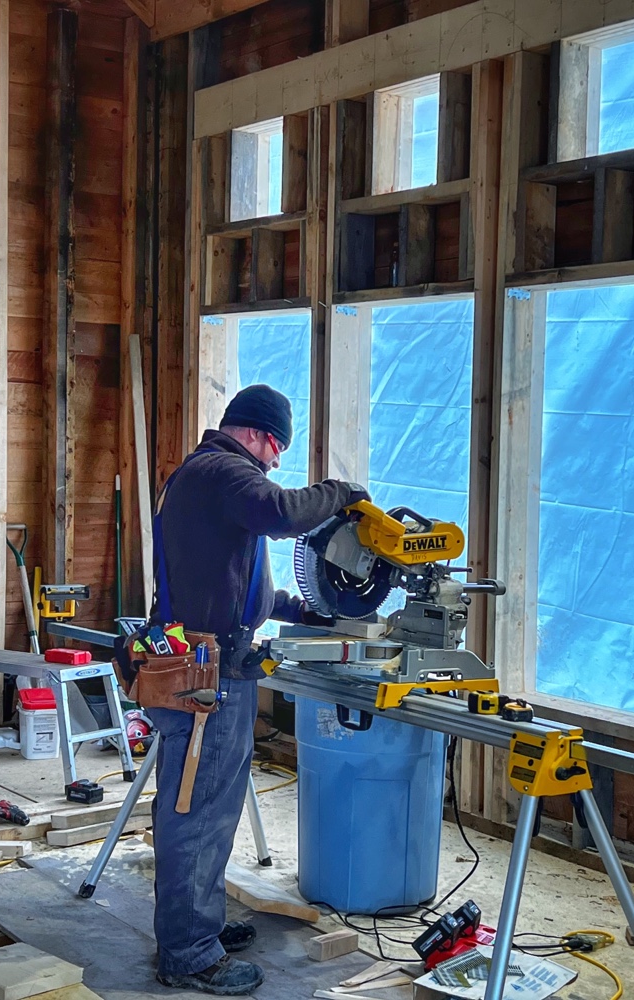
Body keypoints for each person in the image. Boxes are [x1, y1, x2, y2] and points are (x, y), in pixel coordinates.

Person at [149, 384, 369, 995]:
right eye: (276, 452)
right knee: (196, 814)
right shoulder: (223, 469)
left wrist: (303, 612)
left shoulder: (204, 478)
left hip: (210, 664)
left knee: (208, 811)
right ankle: (189, 953)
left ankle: (198, 925)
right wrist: (343, 494)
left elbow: (231, 588)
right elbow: (279, 512)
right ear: (262, 436)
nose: (274, 465)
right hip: (205, 677)